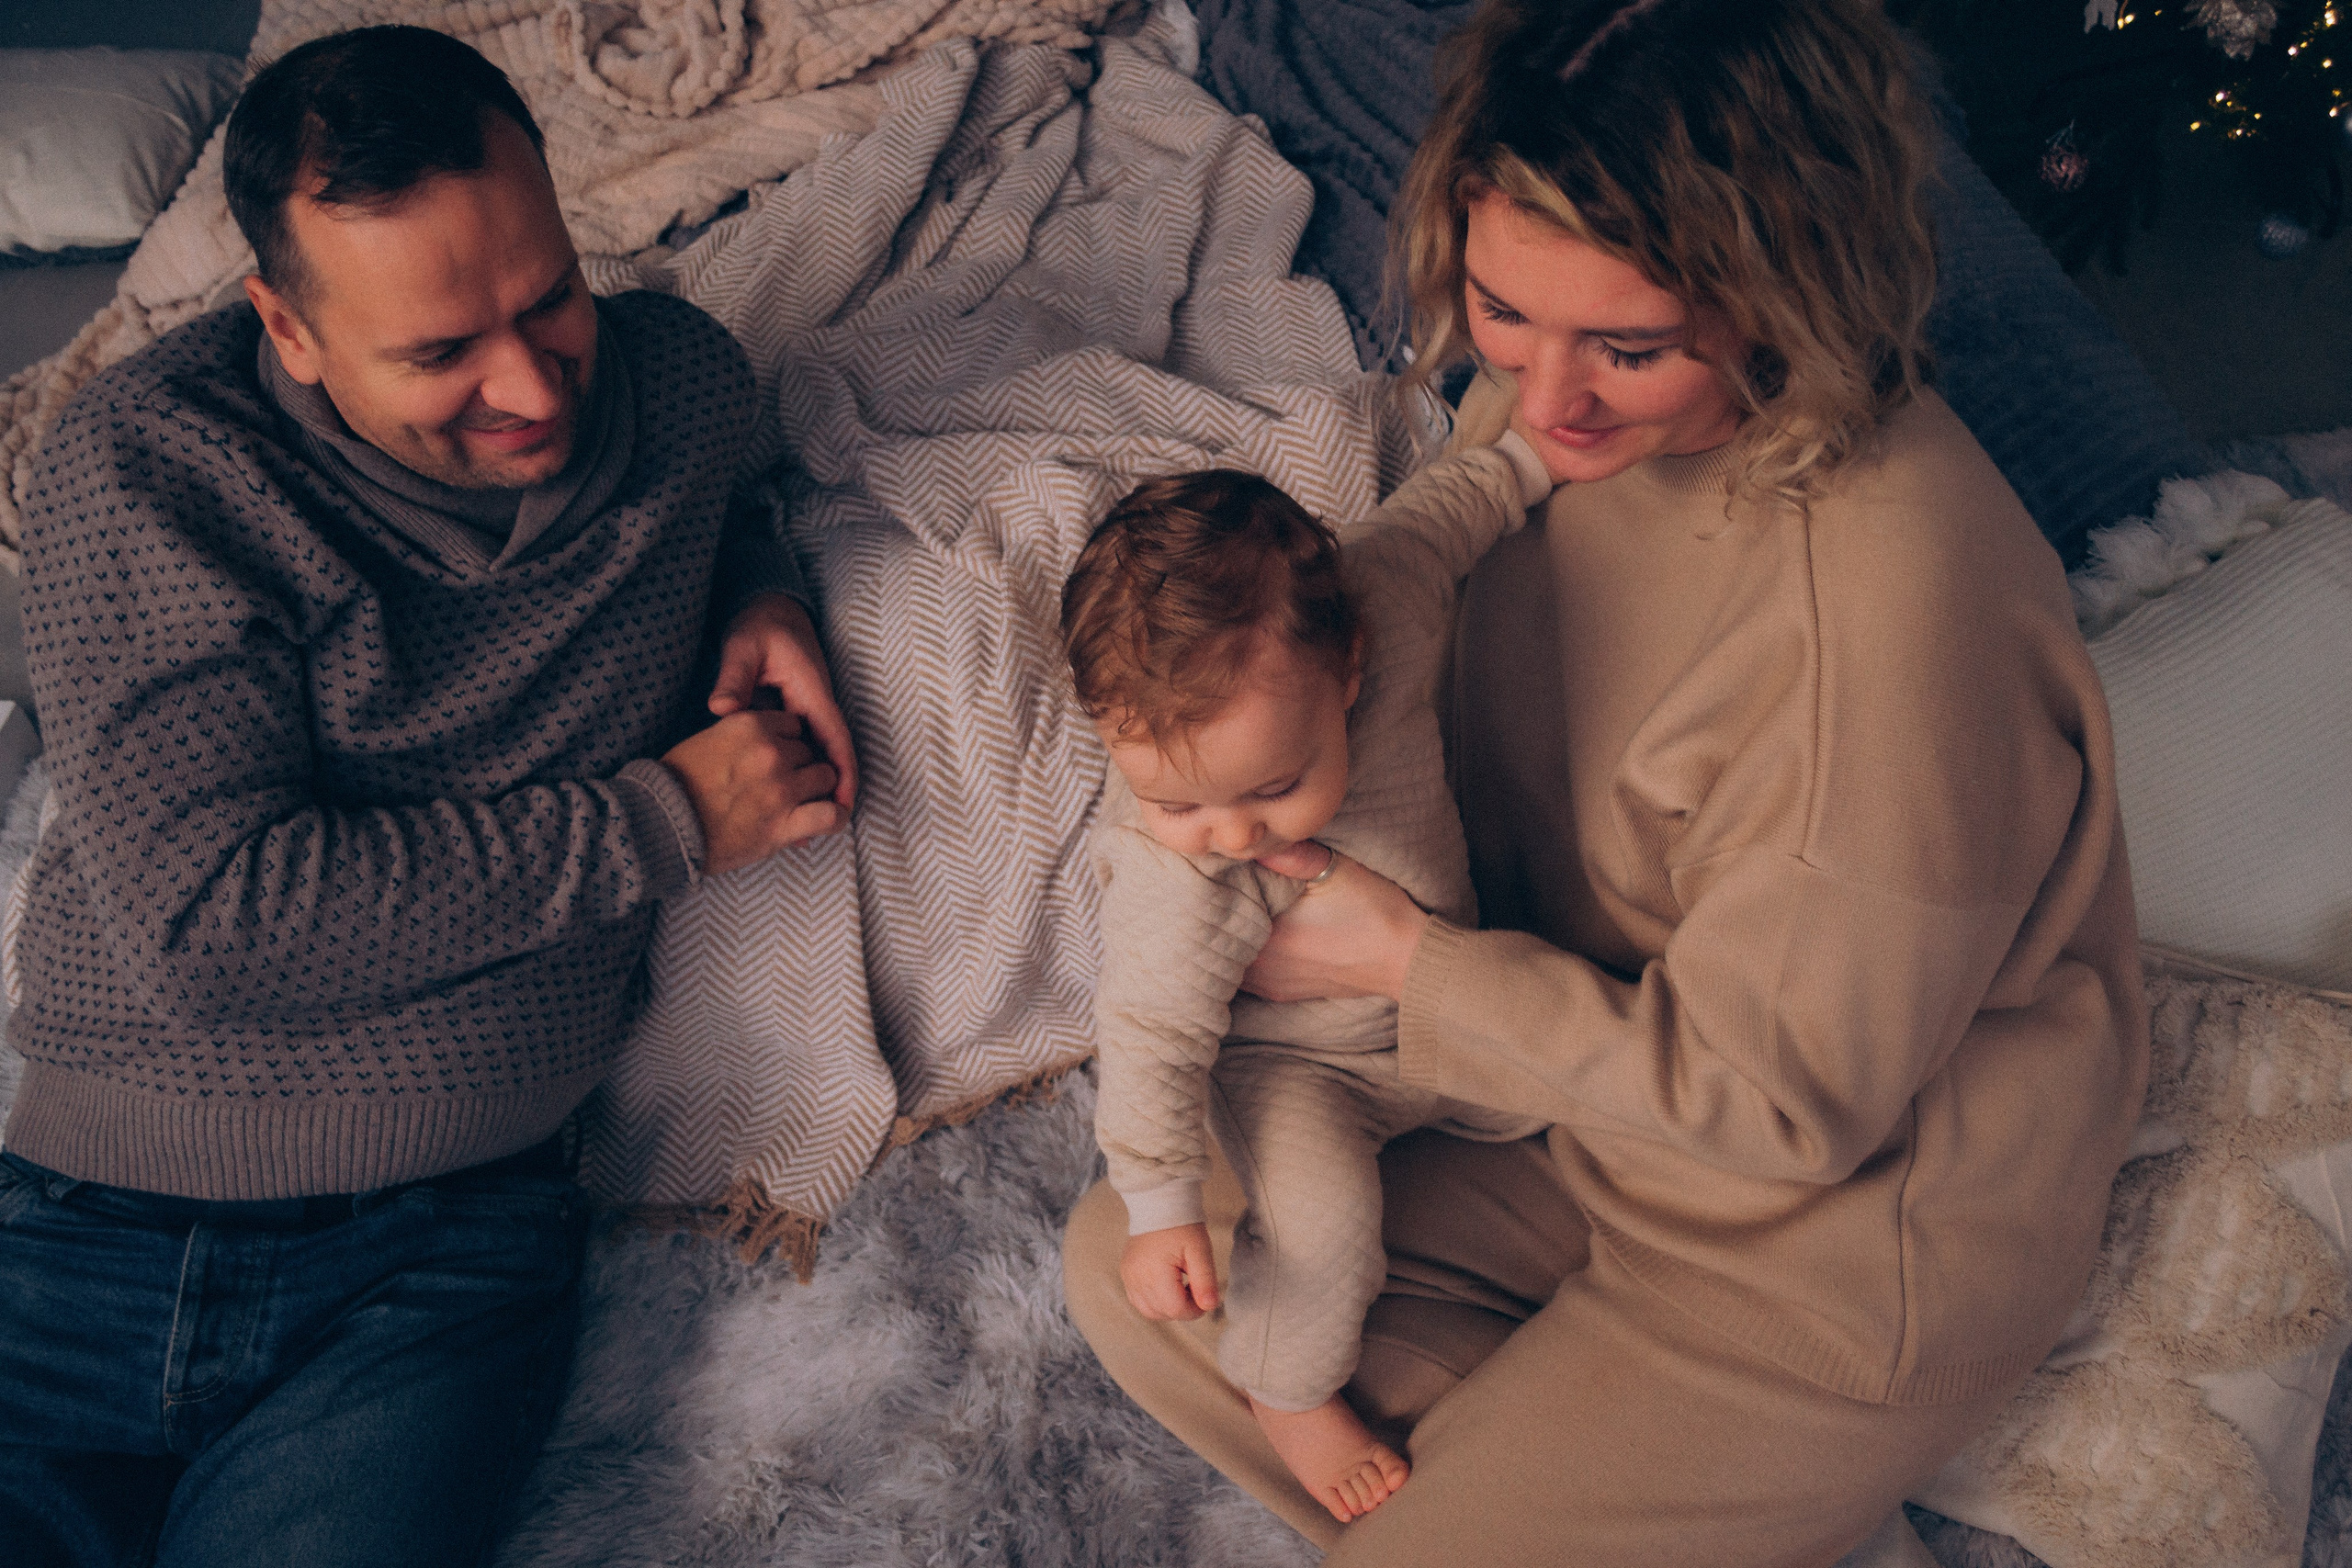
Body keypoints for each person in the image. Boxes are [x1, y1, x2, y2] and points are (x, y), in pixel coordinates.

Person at [1062, 0, 2153, 1562]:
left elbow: (1782, 1106)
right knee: (1134, 1255)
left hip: (1818, 1237)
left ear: (1791, 287)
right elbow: (1431, 559)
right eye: (1505, 315)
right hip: (1563, 1105)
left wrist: (1410, 964)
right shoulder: (1563, 417)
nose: (1547, 399)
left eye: (1627, 347)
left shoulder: (1890, 631)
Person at [0, 26, 854, 1568]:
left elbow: (723, 485)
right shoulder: (151, 475)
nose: (530, 388)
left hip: (442, 1263)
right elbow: (219, 924)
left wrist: (759, 584)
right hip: (84, 1236)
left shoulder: (673, 382)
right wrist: (664, 820)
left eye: (548, 302)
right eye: (442, 351)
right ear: (290, 325)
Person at [1063, 443, 1553, 1524]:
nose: (1230, 837)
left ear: (1351, 668)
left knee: (1569, 1070)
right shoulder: (1177, 870)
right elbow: (1149, 1027)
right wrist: (1157, 1204)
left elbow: (1438, 512)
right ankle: (1286, 1388)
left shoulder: (1390, 596)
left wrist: (1524, 460)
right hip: (1296, 1068)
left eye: (1274, 787)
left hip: (1438, 1002)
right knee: (1322, 1227)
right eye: (1176, 802)